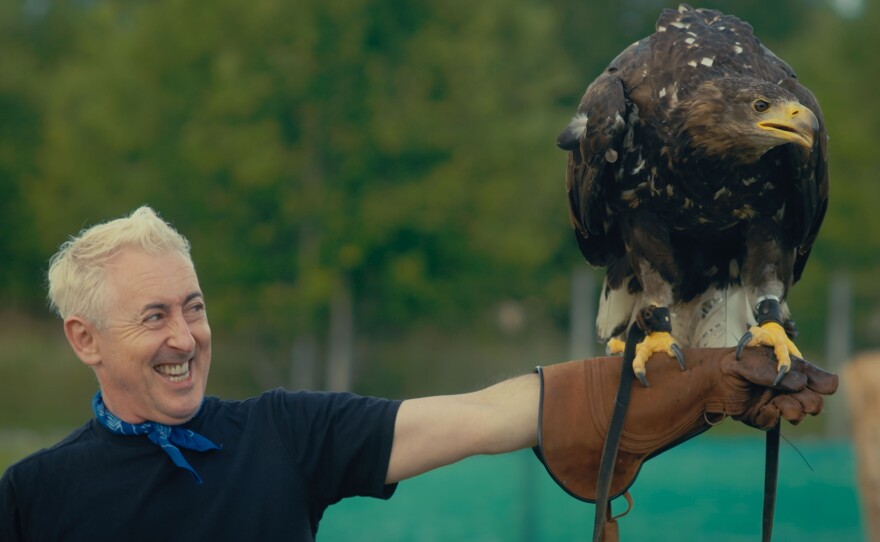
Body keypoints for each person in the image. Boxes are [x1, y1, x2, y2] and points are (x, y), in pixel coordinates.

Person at [0, 206, 837, 541]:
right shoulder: (32, 500)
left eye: (194, 305)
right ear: (84, 339)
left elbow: (485, 415)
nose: (187, 335)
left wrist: (693, 375)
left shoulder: (283, 435)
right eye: (155, 316)